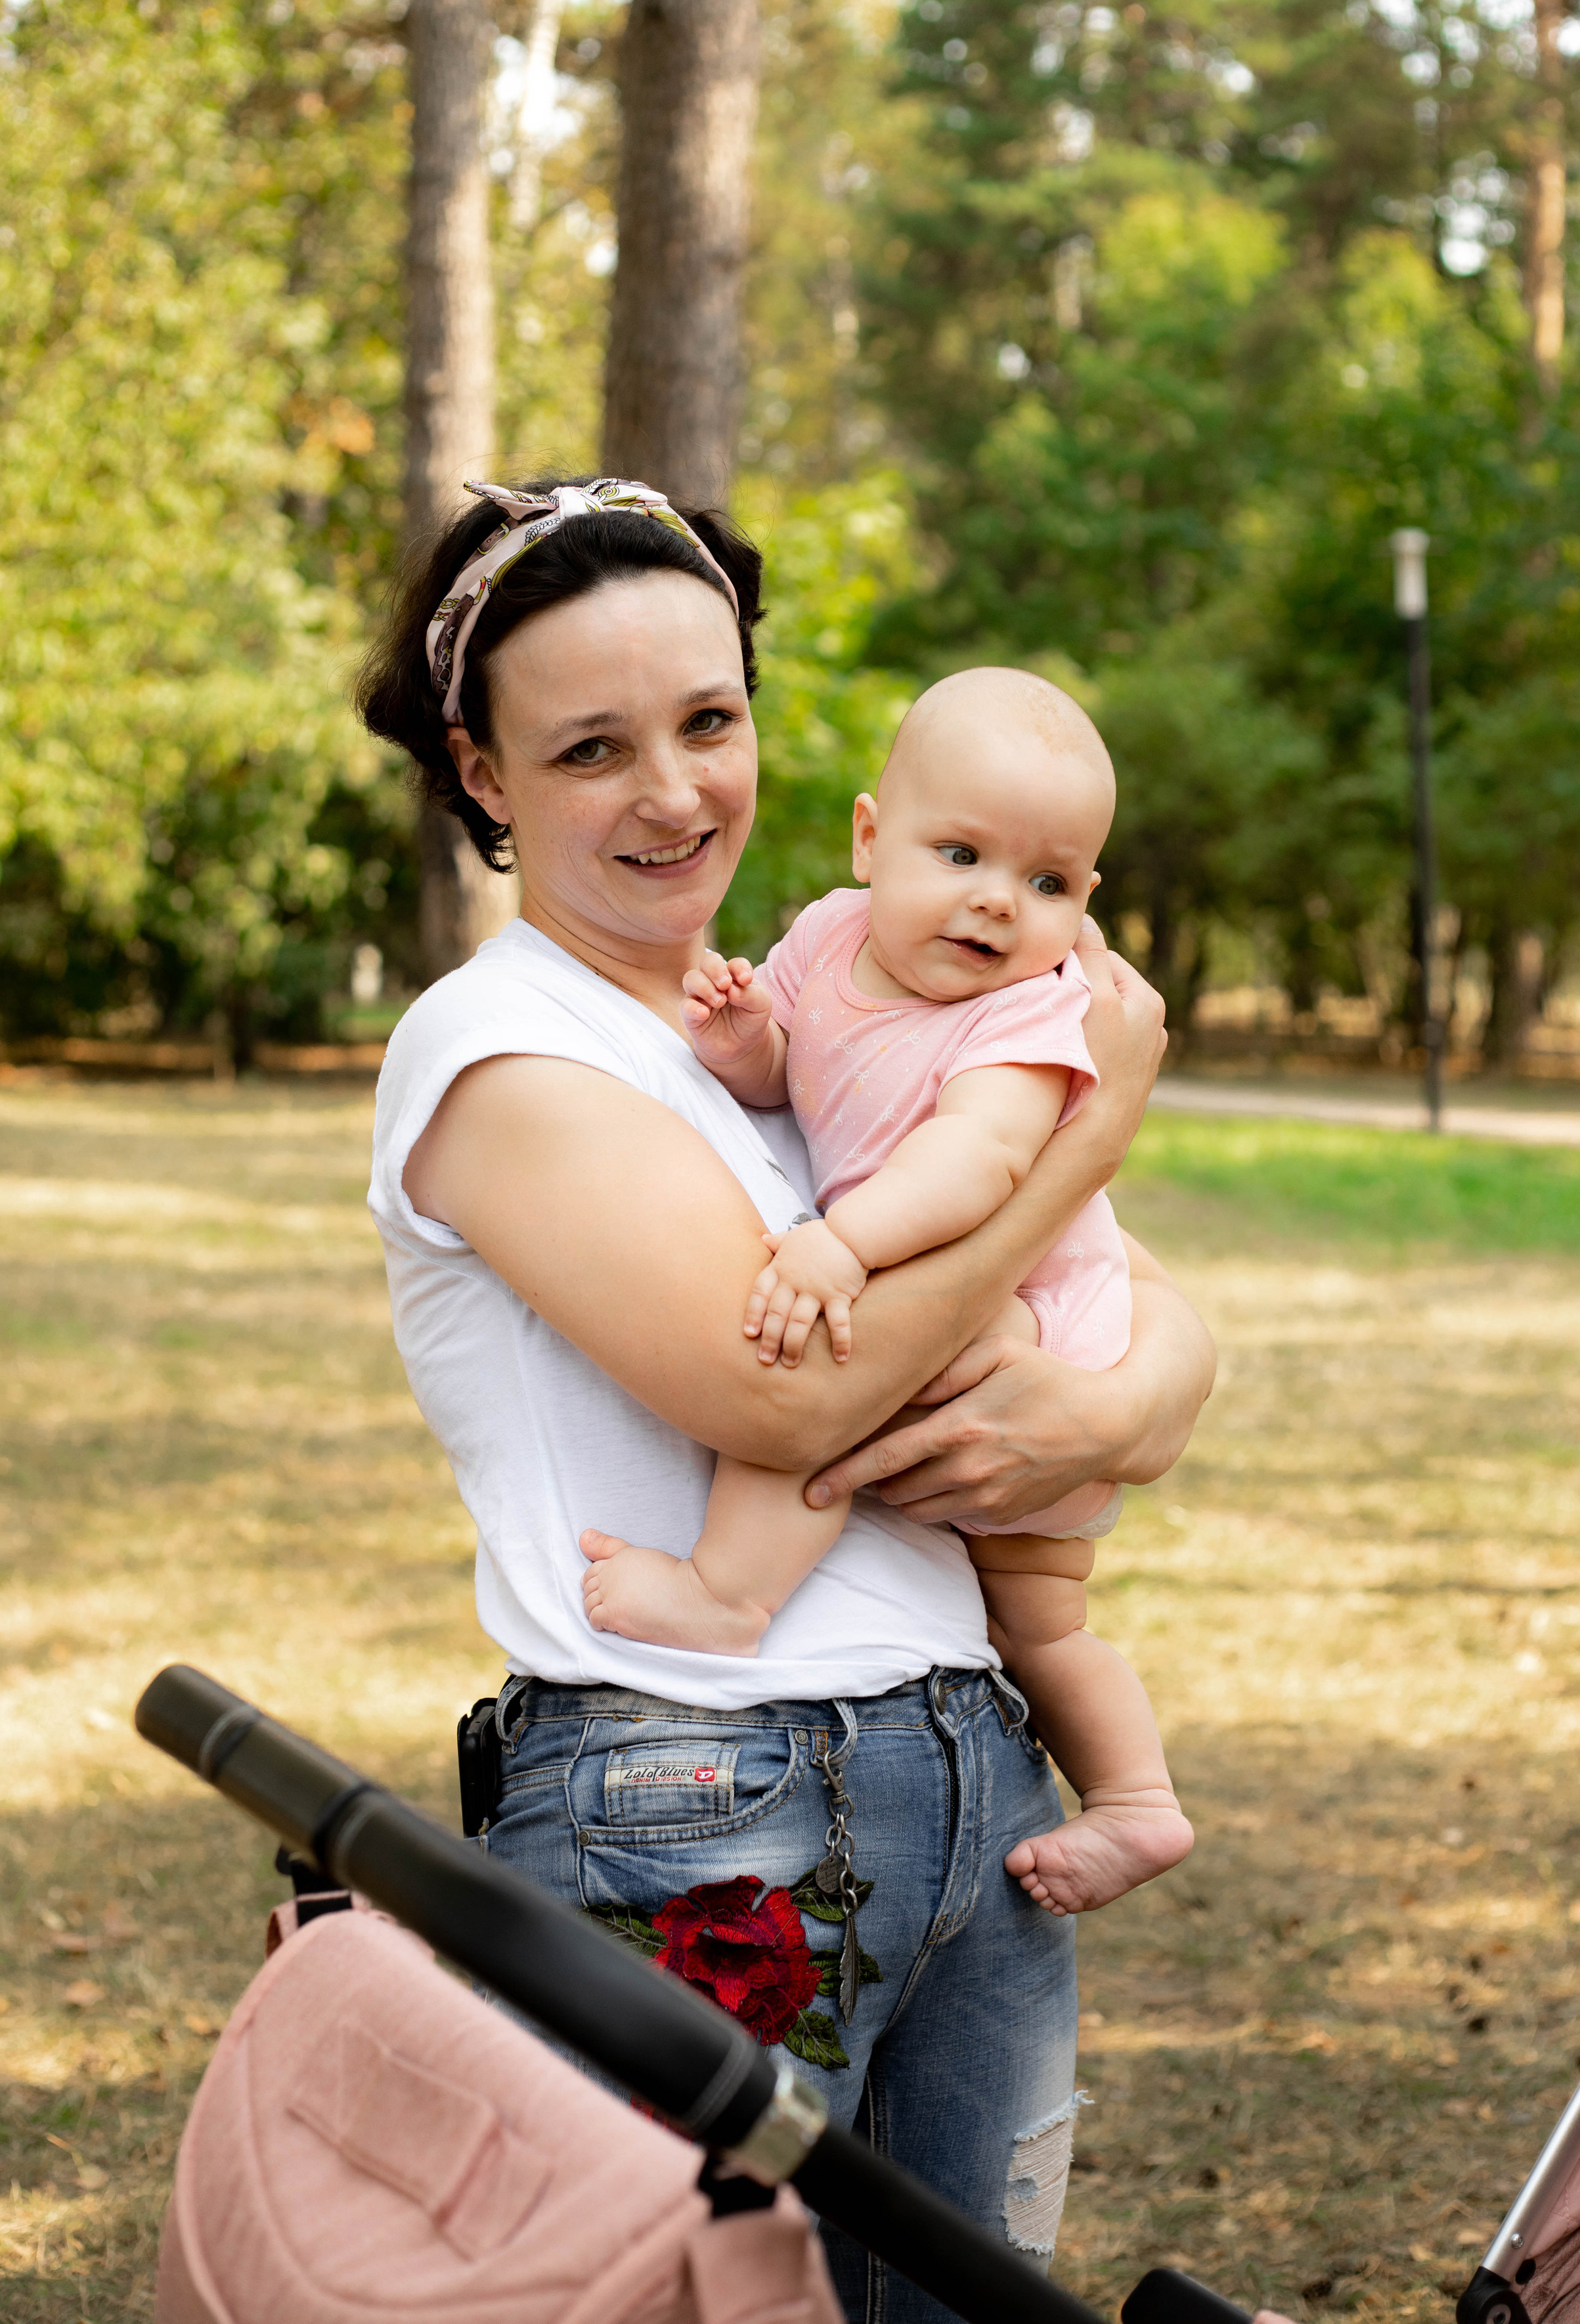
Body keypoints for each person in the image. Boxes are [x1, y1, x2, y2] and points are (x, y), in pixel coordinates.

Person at [358, 472, 1216, 2324]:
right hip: (698, 1789)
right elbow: (790, 1409)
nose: (674, 793)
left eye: (709, 720)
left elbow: (1140, 1326)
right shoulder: (497, 1051)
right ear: (483, 774)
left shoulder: (809, 1023)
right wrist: (1083, 1144)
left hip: (976, 1778)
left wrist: (1126, 1410)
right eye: (591, 747)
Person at [581, 667, 1193, 1921]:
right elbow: (794, 1072)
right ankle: (1136, 1801)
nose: (997, 902)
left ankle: (729, 1596)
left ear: (1085, 903)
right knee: (1035, 1623)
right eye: (960, 854)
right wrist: (747, 1044)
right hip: (976, 1298)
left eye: (1047, 883)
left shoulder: (1028, 1017)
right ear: (871, 840)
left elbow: (979, 1163)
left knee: (840, 1374)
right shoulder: (825, 938)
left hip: (1027, 1318)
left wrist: (845, 1246)